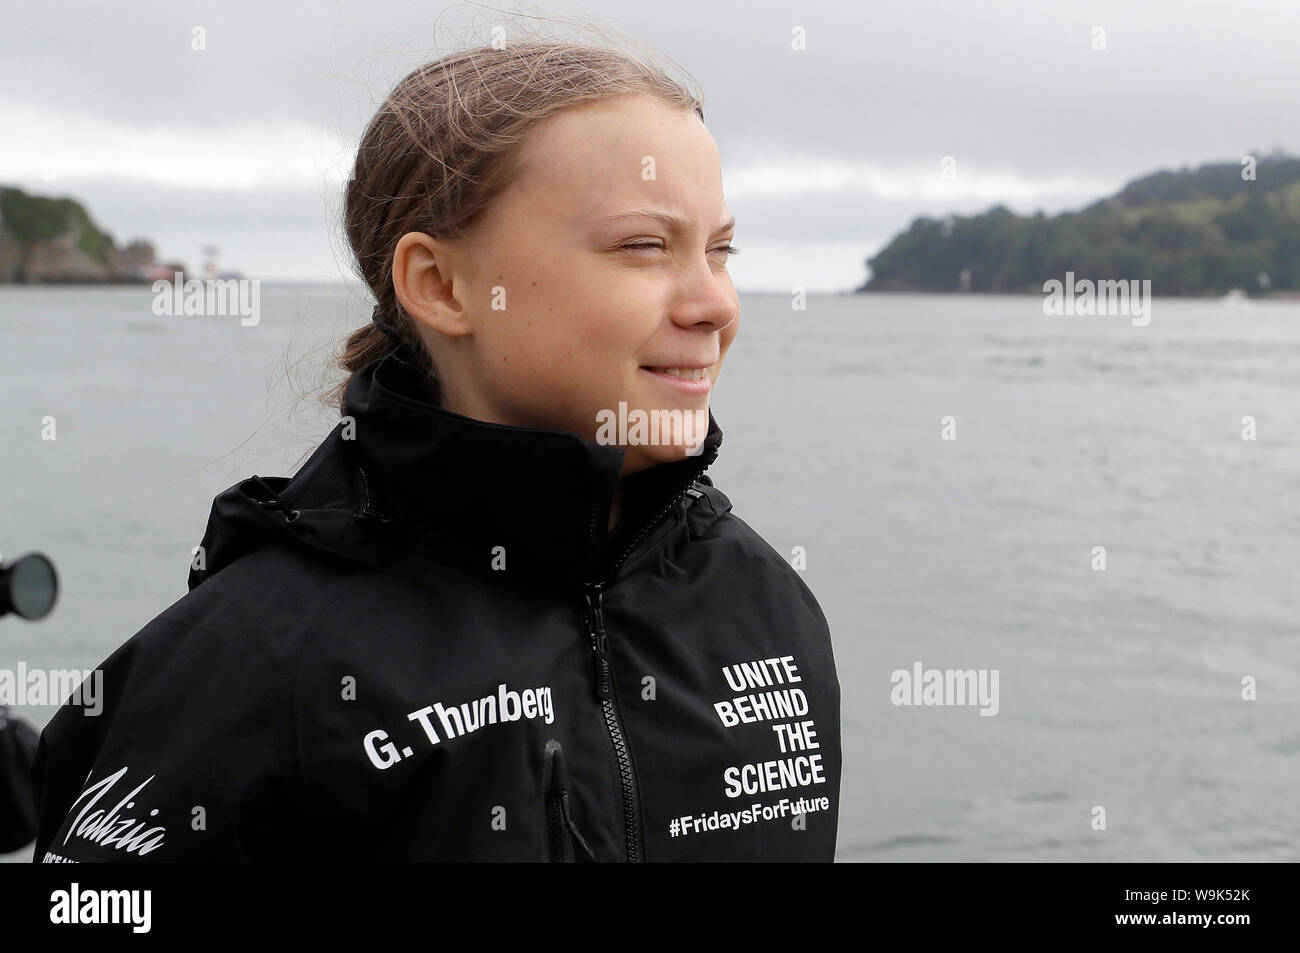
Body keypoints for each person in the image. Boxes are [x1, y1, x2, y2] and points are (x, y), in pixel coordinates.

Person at [29, 37, 842, 862]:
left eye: (721, 250)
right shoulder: (255, 664)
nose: (714, 303)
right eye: (644, 246)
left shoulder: (767, 605)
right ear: (441, 286)